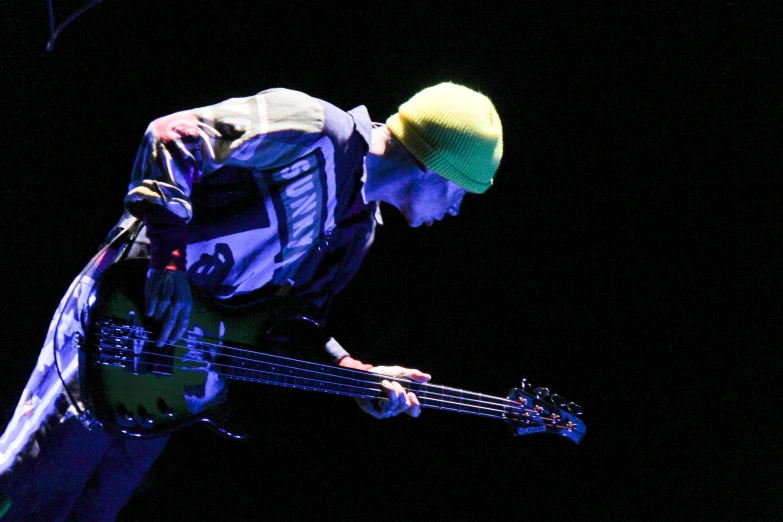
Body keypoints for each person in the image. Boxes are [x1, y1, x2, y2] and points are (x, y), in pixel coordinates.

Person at [0, 81, 503, 521]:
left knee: (93, 510)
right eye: (460, 192)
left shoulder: (358, 233)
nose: (456, 210)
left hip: (175, 372)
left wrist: (354, 371)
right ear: (436, 165)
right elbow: (173, 136)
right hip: (119, 317)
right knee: (29, 488)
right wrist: (169, 264)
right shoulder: (315, 130)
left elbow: (285, 322)